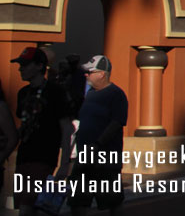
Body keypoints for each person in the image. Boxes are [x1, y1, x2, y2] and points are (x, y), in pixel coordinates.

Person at [12, 46, 72, 216]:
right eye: (20, 65)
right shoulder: (22, 93)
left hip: (44, 157)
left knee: (28, 206)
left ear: (39, 66)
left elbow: (67, 127)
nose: (20, 69)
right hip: (23, 157)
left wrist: (64, 164)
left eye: (25, 64)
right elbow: (22, 125)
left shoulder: (55, 92)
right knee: (27, 207)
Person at [68, 55, 128, 216]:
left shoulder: (116, 94)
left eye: (90, 72)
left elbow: (116, 123)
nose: (86, 75)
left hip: (105, 160)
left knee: (112, 202)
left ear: (102, 74)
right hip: (84, 158)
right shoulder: (90, 94)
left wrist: (98, 145)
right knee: (77, 201)